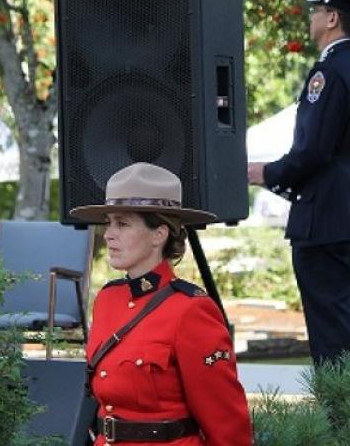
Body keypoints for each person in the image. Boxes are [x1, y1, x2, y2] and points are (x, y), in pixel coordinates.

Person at [247, 0, 350, 364]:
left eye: (317, 11)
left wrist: (265, 173)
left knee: (330, 330)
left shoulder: (330, 73)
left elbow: (313, 151)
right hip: (348, 211)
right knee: (344, 318)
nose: (311, 20)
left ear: (332, 18)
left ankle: (343, 419)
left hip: (322, 215)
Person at [71, 162, 252, 445]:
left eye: (123, 223)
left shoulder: (191, 310)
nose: (108, 234)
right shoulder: (108, 299)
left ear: (159, 234)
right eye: (109, 222)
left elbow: (226, 422)